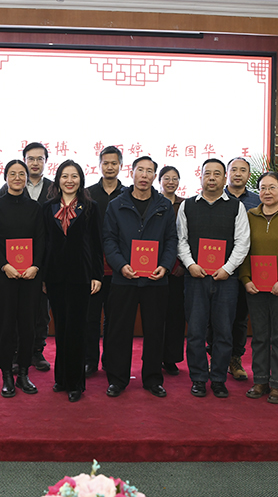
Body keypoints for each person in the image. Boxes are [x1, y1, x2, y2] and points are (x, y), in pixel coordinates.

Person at [102, 156, 177, 398]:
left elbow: (171, 240)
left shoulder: (164, 205)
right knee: (119, 330)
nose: (144, 175)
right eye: (140, 170)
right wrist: (120, 265)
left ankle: (153, 379)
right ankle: (117, 379)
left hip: (156, 279)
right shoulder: (116, 204)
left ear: (155, 176)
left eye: (149, 171)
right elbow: (109, 240)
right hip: (124, 278)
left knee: (155, 331)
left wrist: (165, 266)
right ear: (131, 172)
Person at [177, 159, 250, 398]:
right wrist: (190, 264)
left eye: (217, 174)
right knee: (196, 332)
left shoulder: (236, 207)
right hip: (195, 278)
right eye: (207, 173)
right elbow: (181, 240)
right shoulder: (187, 206)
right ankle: (198, 378)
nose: (211, 178)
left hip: (226, 279)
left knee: (224, 332)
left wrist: (228, 269)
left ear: (224, 178)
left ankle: (218, 378)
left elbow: (242, 242)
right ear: (200, 176)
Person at [239, 171, 278, 404]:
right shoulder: (249, 216)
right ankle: (260, 380)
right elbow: (243, 248)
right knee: (259, 336)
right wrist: (246, 278)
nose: (267, 192)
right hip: (255, 287)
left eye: (272, 187)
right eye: (263, 188)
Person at [43, 160, 104, 402]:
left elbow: (97, 244)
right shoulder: (47, 207)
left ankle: (76, 383)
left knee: (77, 329)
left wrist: (97, 275)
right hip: (55, 277)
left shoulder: (90, 207)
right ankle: (61, 378)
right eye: (65, 176)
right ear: (58, 180)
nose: (69, 180)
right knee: (61, 329)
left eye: (74, 176)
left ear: (81, 180)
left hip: (81, 275)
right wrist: (44, 277)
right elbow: (44, 243)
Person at [0, 160, 45, 397]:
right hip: (5, 276)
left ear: (27, 178)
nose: (18, 178)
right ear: (5, 177)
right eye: (13, 174)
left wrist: (36, 266)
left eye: (22, 174)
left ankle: (23, 374)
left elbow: (41, 239)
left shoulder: (35, 208)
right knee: (5, 326)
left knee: (28, 326)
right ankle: (6, 375)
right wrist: (5, 265)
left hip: (30, 277)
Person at [0, 142, 53, 371]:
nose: (35, 163)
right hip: (13, 263)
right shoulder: (8, 188)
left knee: (40, 309)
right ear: (24, 160)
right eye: (31, 158)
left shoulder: (54, 188)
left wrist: (40, 263)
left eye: (40, 159)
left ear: (46, 162)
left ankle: (36, 351)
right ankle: (16, 352)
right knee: (15, 310)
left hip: (43, 258)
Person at [219, 157, 261, 381]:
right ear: (227, 173)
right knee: (215, 316)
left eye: (242, 170)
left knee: (240, 317)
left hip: (246, 268)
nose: (238, 173)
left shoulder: (257, 201)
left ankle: (235, 358)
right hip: (217, 266)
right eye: (233, 169)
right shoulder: (215, 197)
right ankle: (216, 357)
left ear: (248, 175)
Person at [84, 145, 125, 377]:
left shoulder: (128, 194)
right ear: (99, 165)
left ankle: (110, 360)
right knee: (90, 317)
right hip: (92, 267)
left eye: (113, 163)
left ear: (121, 165)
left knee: (114, 317)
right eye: (105, 163)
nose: (109, 167)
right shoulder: (87, 194)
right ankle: (89, 360)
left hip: (120, 267)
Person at [158, 166, 186, 376]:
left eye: (174, 178)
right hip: (154, 267)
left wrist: (182, 265)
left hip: (179, 270)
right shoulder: (153, 203)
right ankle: (155, 356)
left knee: (175, 315)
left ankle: (170, 358)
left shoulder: (185, 205)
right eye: (166, 178)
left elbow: (188, 238)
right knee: (156, 316)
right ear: (159, 181)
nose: (170, 182)